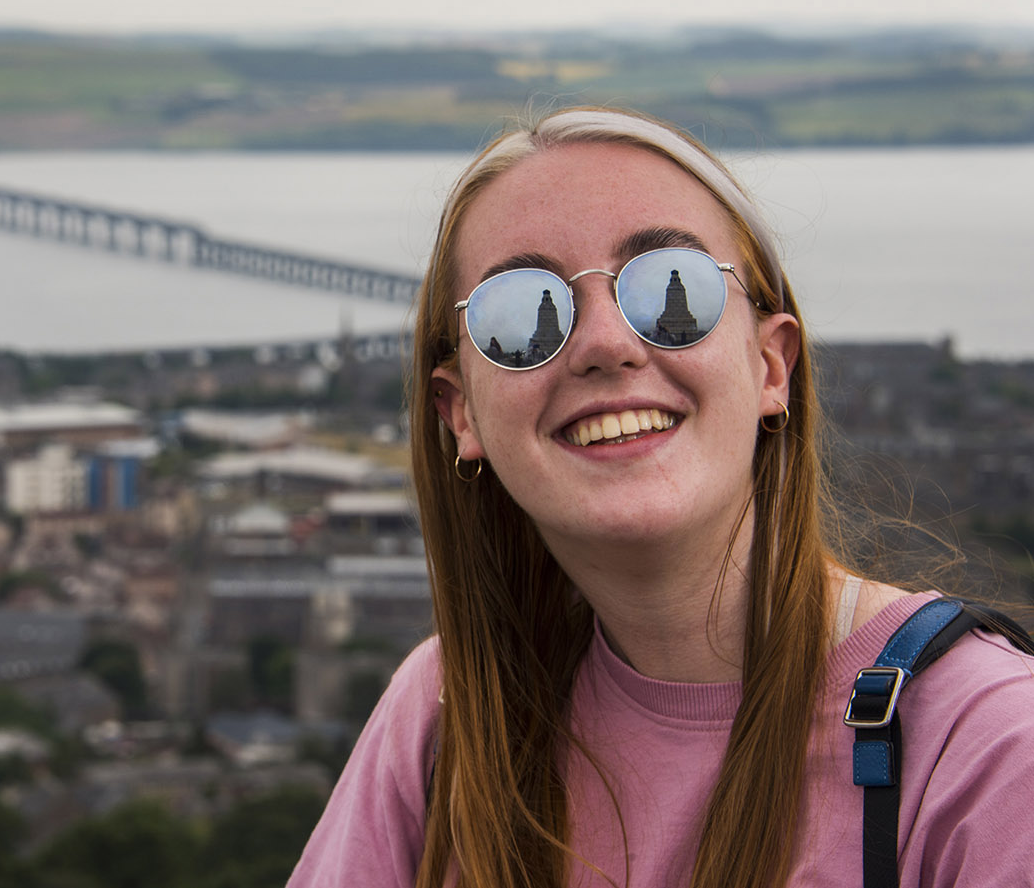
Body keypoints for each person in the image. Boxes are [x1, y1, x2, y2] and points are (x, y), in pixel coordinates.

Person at [286, 107, 1034, 888]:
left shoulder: (986, 744)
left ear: (772, 367)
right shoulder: (447, 717)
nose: (608, 342)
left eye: (670, 288)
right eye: (522, 317)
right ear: (460, 412)